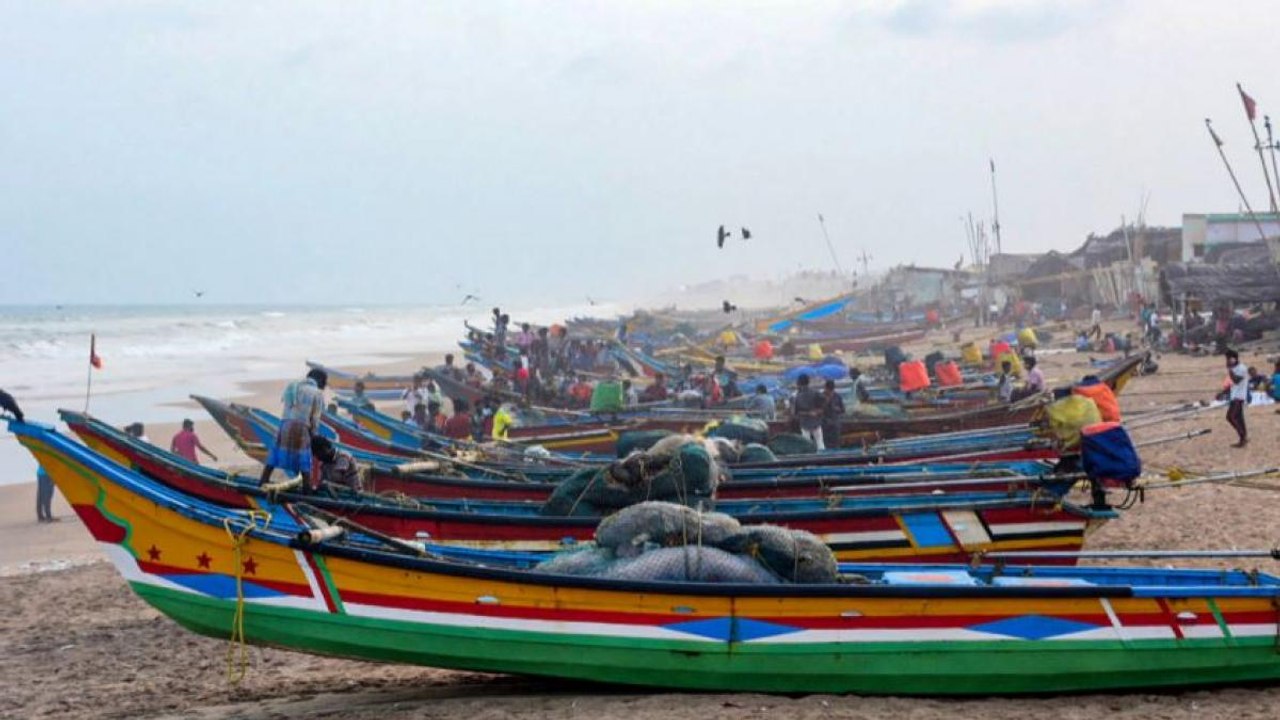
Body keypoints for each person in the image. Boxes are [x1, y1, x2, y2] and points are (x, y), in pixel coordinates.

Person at [260, 368, 327, 484]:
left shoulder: (293, 387)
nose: (325, 385)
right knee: (304, 458)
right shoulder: (317, 393)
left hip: (285, 424)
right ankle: (307, 488)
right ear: (319, 380)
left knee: (275, 453)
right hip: (302, 427)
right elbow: (315, 419)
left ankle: (263, 480)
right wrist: (314, 437)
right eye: (325, 382)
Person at [792, 373, 824, 450]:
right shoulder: (816, 393)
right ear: (808, 382)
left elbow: (796, 413)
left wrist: (807, 413)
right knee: (820, 443)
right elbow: (823, 406)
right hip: (816, 421)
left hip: (804, 423)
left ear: (799, 383)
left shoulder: (797, 396)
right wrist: (816, 412)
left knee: (806, 445)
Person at [1225, 349, 1249, 447]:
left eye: (1228, 359)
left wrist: (1230, 370)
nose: (1226, 361)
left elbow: (1236, 381)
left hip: (1239, 397)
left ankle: (1242, 437)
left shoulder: (1242, 368)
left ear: (1233, 359)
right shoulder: (1235, 368)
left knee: (1231, 417)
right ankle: (1243, 437)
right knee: (1239, 418)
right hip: (1234, 396)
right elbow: (1232, 384)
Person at [821, 379, 845, 449]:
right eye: (828, 390)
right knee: (825, 441)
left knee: (836, 442)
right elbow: (819, 409)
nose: (829, 392)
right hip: (824, 422)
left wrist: (837, 409)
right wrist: (827, 401)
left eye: (831, 390)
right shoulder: (821, 396)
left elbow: (843, 410)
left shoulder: (837, 396)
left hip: (835, 423)